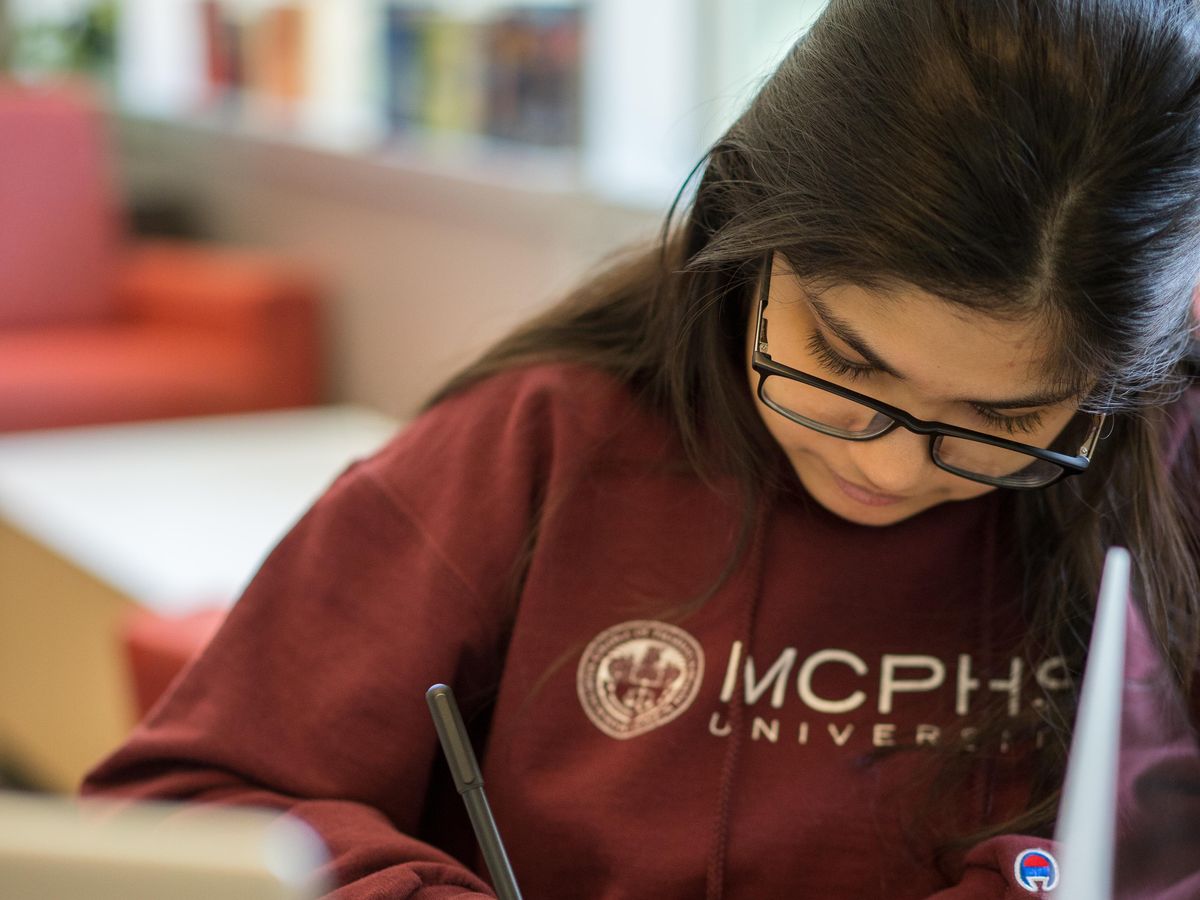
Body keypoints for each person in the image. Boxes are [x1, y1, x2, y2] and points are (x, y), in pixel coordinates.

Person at [83, 1, 1200, 897]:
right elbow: (179, 801)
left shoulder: (1163, 469)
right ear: (742, 221)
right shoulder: (545, 439)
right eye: (848, 363)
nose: (893, 466)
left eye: (1005, 420)